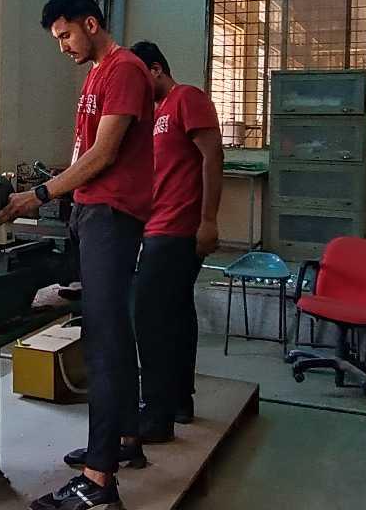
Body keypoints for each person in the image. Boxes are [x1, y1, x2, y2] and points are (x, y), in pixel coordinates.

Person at [0, 0, 153, 510]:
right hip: (93, 213)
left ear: (90, 22)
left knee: (105, 344)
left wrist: (36, 195)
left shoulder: (125, 68)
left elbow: (104, 154)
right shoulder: (96, 76)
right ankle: (123, 441)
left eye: (64, 35)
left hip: (111, 215)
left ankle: (99, 483)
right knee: (112, 334)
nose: (61, 46)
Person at [128, 40, 223, 439]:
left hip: (178, 229)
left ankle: (156, 413)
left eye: (137, 79)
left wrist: (208, 220)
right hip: (157, 225)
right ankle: (180, 400)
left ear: (155, 69)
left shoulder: (187, 98)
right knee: (177, 314)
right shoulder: (154, 115)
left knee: (147, 316)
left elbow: (213, 155)